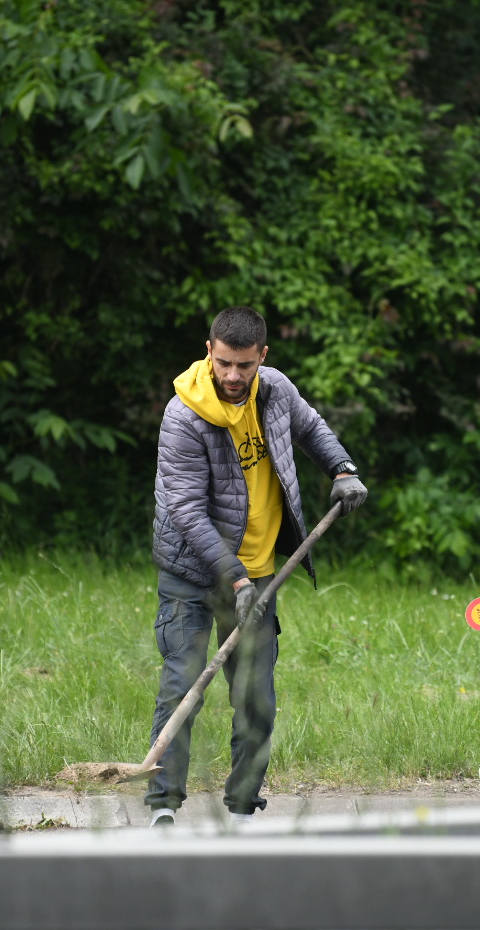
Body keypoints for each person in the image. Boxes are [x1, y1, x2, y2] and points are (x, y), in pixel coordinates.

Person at [147, 305, 367, 826]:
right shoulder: (184, 416)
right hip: (194, 576)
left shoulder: (275, 391)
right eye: (223, 363)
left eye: (244, 365)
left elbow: (311, 428)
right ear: (209, 352)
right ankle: (163, 806)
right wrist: (237, 578)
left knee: (256, 698)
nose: (232, 376)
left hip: (260, 569)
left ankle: (242, 807)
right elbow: (186, 510)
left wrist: (341, 467)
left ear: (261, 358)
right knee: (183, 682)